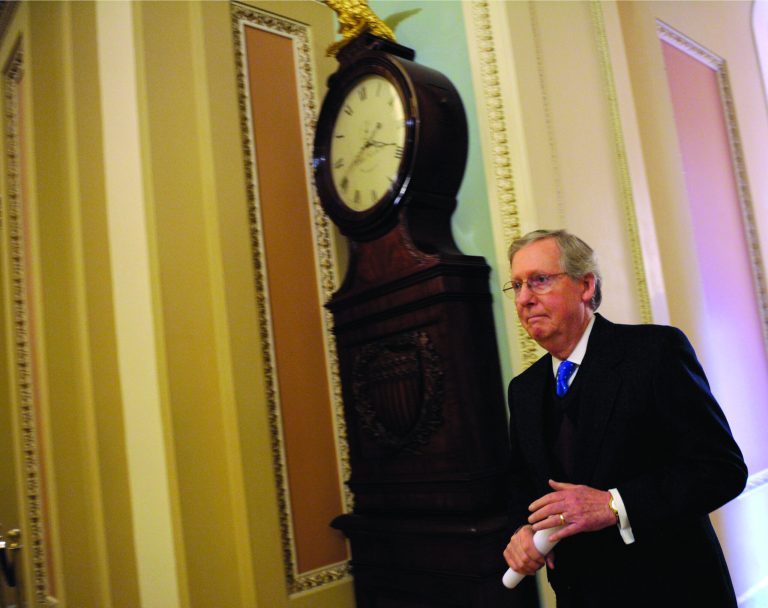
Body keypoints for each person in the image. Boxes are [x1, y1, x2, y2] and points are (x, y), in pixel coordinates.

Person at [501, 229, 747, 607]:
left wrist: (615, 504)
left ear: (585, 285)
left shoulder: (654, 352)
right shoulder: (524, 389)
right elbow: (522, 486)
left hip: (671, 590)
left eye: (539, 280)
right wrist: (522, 531)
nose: (524, 299)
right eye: (516, 285)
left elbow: (721, 469)